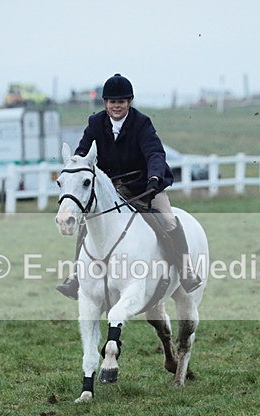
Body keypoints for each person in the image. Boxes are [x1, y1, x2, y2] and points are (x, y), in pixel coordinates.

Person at [56, 73, 202, 299]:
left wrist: (154, 178)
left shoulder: (141, 123)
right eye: (112, 101)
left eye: (121, 101)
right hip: (110, 188)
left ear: (129, 101)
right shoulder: (96, 123)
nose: (116, 106)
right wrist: (77, 167)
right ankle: (76, 277)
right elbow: (83, 152)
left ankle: (186, 271)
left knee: (167, 218)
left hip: (143, 185)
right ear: (105, 103)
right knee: (87, 222)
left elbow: (154, 153)